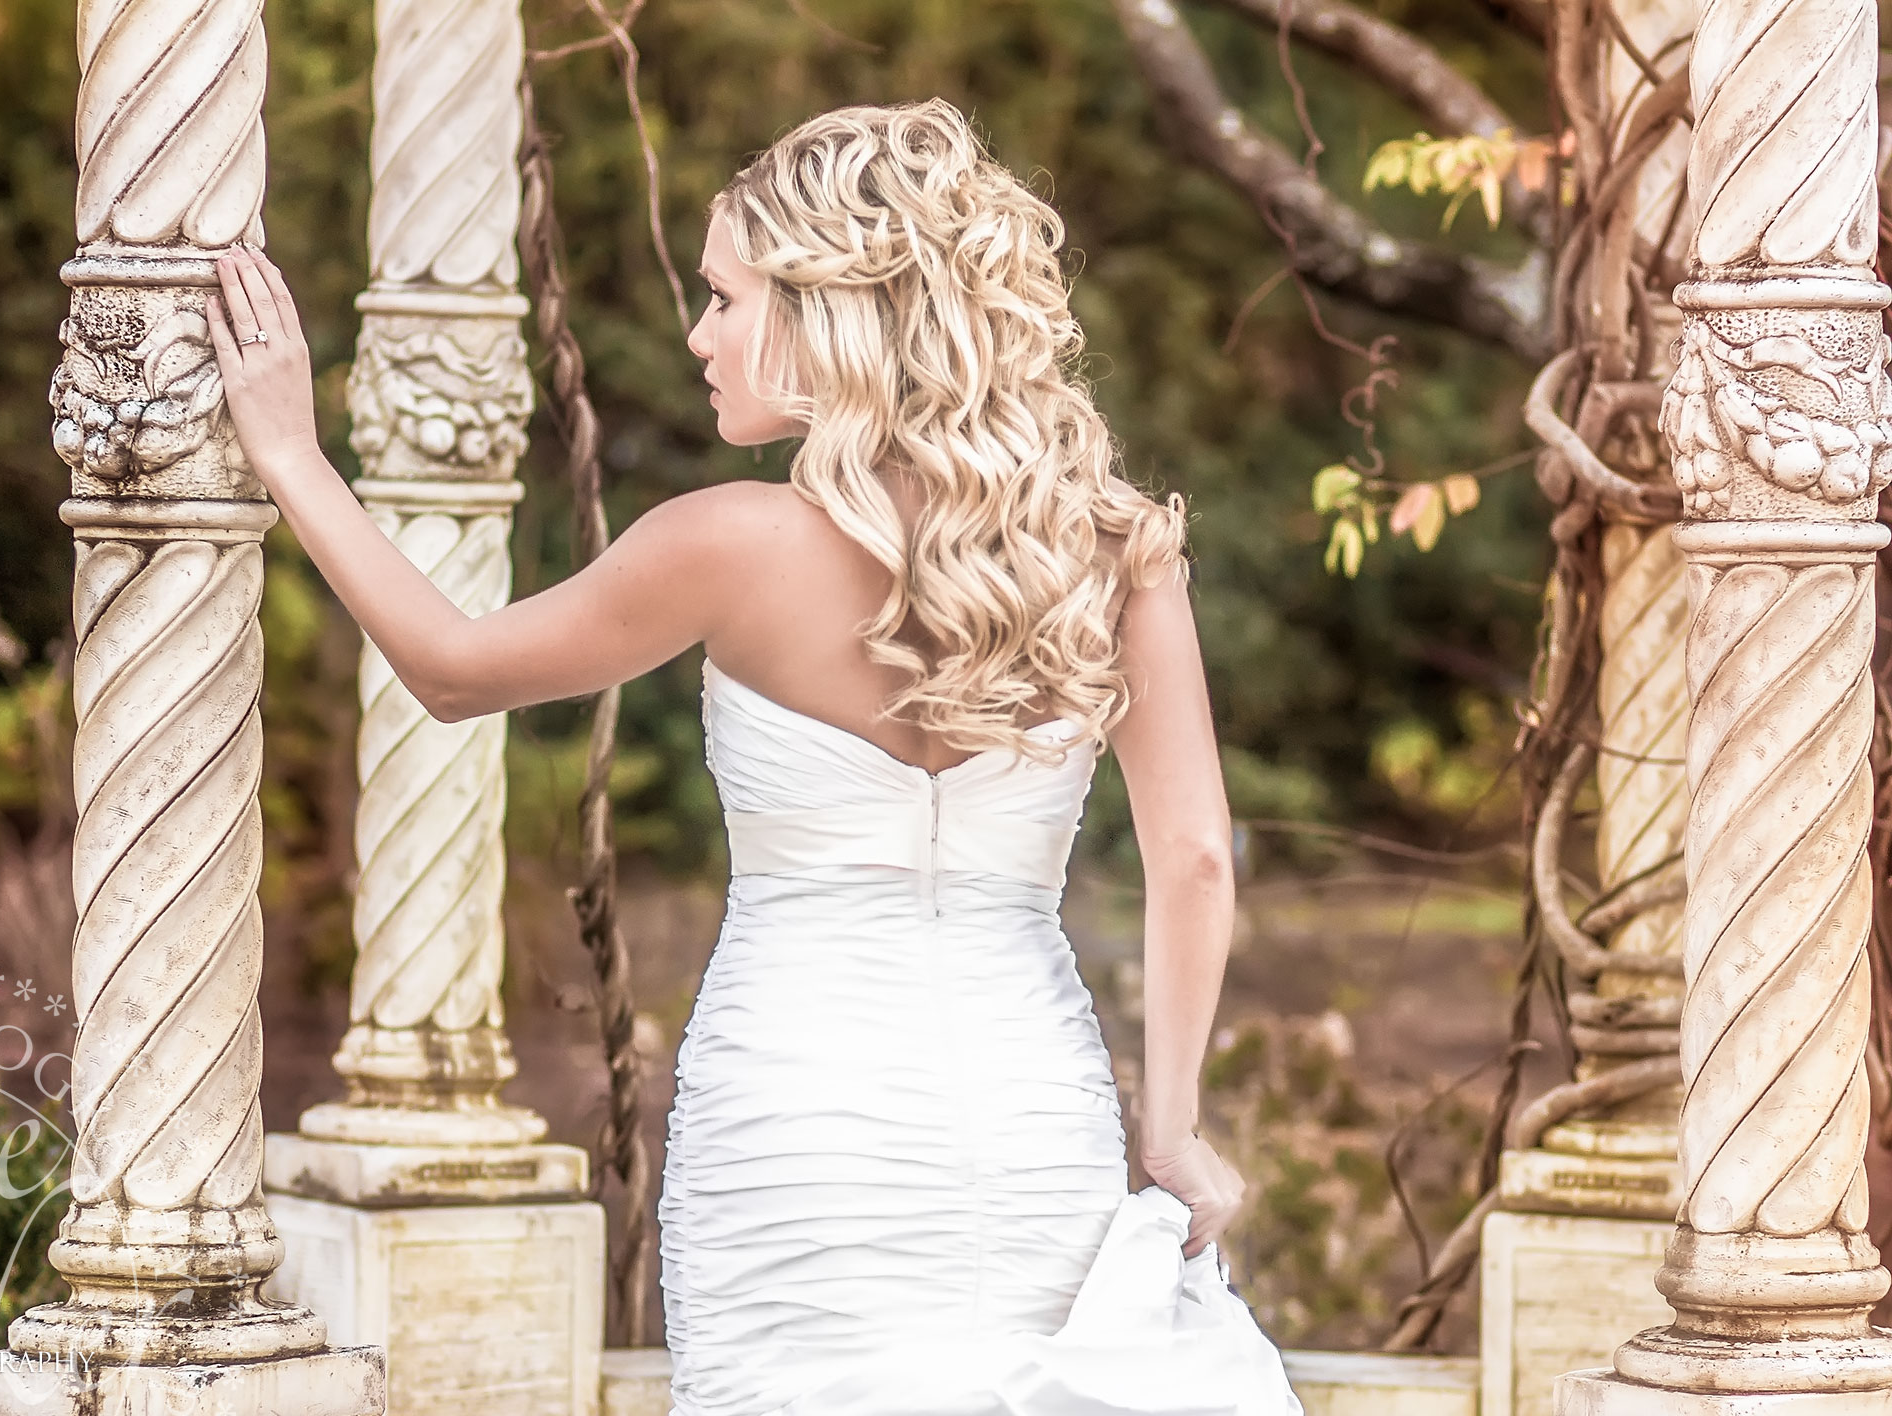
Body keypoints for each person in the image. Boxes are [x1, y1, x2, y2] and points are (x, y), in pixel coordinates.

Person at [207, 98, 1297, 1416]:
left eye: (727, 299)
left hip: (799, 1118)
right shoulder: (1117, 549)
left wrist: (291, 456)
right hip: (1029, 1113)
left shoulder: (724, 545)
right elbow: (1190, 860)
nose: (698, 334)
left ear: (828, 310)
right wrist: (1169, 1128)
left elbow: (449, 668)